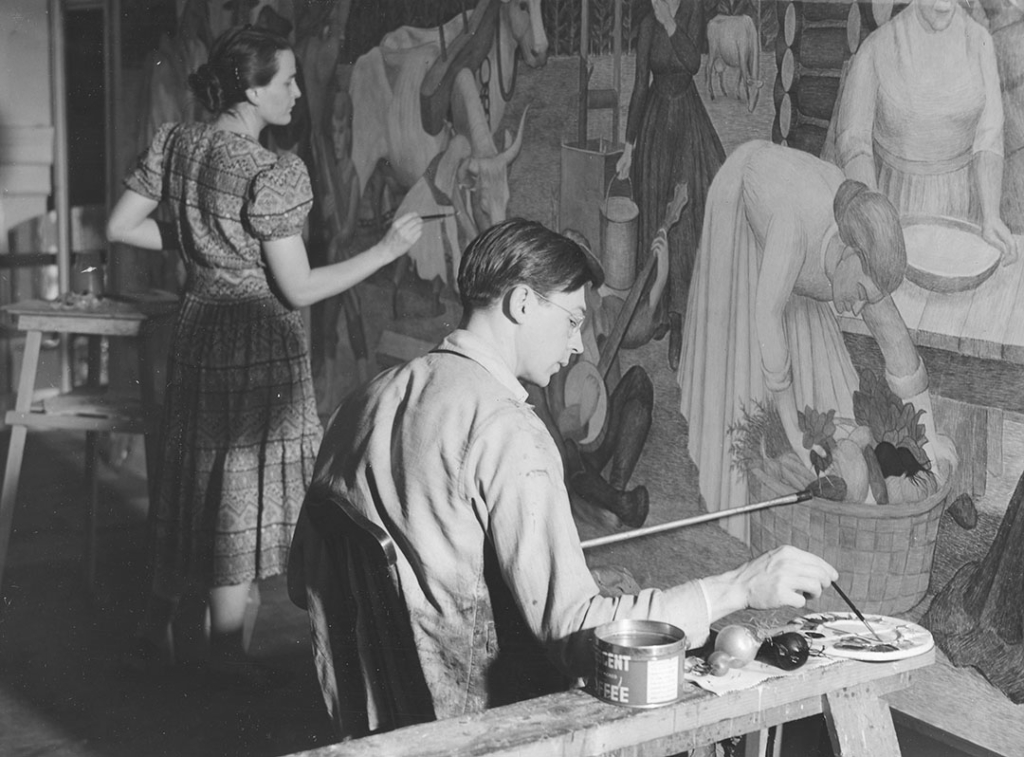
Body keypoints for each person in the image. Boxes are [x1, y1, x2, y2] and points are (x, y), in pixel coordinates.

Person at [288, 218, 838, 736]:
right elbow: (581, 639)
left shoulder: (371, 394)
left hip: (369, 720)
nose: (578, 344)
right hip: (475, 730)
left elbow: (301, 580)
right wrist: (737, 586)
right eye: (573, 320)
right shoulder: (509, 432)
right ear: (522, 302)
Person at [106, 25, 423, 687]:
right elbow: (298, 287)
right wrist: (387, 249)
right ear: (251, 89)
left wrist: (205, 245)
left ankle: (156, 626)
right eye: (285, 80)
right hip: (255, 343)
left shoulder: (179, 141)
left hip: (198, 332)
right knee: (237, 493)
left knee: (198, 479)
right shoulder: (271, 172)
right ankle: (223, 651)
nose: (298, 92)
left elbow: (121, 226)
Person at [678, 140, 957, 542]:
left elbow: (896, 342)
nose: (861, 306)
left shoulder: (863, 254)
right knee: (744, 366)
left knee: (822, 396)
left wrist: (927, 447)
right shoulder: (794, 232)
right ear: (847, 252)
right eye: (860, 293)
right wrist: (793, 432)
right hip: (746, 201)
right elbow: (768, 319)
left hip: (801, 241)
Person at [835, 0, 1017, 262]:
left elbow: (989, 136)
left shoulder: (979, 41)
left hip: (964, 213)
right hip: (894, 208)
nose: (943, 5)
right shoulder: (878, 46)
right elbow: (854, 142)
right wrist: (875, 221)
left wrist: (991, 215)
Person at [526, 227, 671, 530]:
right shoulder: (540, 331)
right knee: (563, 451)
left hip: (601, 432)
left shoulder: (601, 311)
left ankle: (616, 486)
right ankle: (612, 500)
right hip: (568, 444)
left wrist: (660, 275)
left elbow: (638, 325)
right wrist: (567, 424)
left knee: (639, 382)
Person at [616, 0, 725, 370]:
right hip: (655, 126)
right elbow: (638, 87)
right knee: (656, 218)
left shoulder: (693, 12)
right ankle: (661, 312)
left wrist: (671, 24)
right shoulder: (646, 25)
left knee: (688, 223)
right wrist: (629, 147)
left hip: (687, 122)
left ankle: (683, 319)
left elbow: (693, 63)